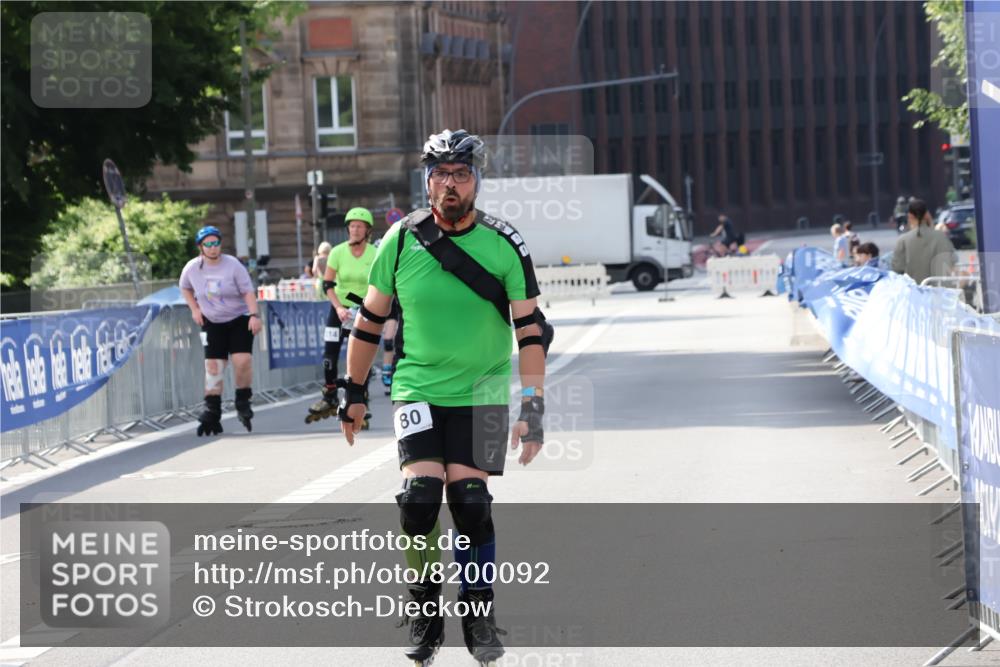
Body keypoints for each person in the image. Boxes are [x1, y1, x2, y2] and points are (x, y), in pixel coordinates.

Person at [338, 129, 546, 665]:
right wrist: (353, 392)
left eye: (460, 173)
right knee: (419, 502)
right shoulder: (402, 240)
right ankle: (426, 614)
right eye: (439, 174)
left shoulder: (505, 243)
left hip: (483, 391)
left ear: (476, 179)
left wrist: (534, 407)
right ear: (426, 181)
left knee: (471, 506)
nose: (449, 184)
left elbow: (531, 333)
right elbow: (367, 324)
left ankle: (479, 616)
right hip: (417, 388)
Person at [179, 225, 262, 435]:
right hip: (212, 321)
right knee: (213, 366)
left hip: (238, 318)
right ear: (201, 248)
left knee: (242, 361)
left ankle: (243, 400)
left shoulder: (232, 265)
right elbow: (184, 287)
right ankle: (212, 410)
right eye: (208, 244)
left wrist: (254, 315)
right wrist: (194, 309)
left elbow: (247, 292)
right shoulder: (192, 268)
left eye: (216, 243)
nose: (213, 248)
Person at [306, 208, 377, 424]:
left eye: (359, 226)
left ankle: (360, 399)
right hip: (340, 309)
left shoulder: (375, 253)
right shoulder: (337, 252)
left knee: (359, 358)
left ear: (367, 230)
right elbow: (328, 284)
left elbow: (379, 285)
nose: (355, 230)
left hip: (363, 309)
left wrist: (370, 308)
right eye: (352, 226)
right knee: (329, 356)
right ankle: (329, 395)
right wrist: (338, 307)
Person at [892, 198, 956, 284]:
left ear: (910, 216)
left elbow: (897, 270)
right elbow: (951, 263)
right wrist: (931, 225)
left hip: (913, 293)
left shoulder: (903, 240)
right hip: (939, 291)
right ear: (927, 215)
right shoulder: (941, 237)